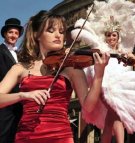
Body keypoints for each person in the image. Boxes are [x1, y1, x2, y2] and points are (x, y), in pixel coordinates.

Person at [0, 10, 109, 143]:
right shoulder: (20, 68)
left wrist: (99, 74)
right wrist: (23, 95)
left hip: (60, 136)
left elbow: (88, 107)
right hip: (26, 136)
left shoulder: (71, 67)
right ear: (37, 35)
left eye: (62, 32)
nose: (58, 35)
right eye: (51, 30)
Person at [71, 0, 135, 143]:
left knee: (111, 119)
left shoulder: (125, 53)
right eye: (108, 35)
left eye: (114, 35)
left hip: (121, 88)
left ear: (118, 37)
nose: (111, 38)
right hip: (105, 85)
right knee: (115, 114)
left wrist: (133, 64)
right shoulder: (102, 50)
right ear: (105, 37)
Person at [0, 18, 24, 143]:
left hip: (19, 103)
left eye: (16, 33)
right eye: (10, 32)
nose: (13, 35)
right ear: (5, 34)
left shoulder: (21, 55)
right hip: (4, 101)